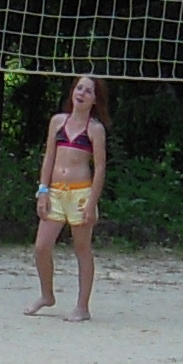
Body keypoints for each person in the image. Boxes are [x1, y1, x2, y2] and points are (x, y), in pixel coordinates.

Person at [28, 73, 110, 318]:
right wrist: (43, 191)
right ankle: (47, 295)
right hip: (55, 191)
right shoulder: (58, 122)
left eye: (88, 90)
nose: (82, 93)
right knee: (41, 247)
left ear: (95, 99)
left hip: (80, 193)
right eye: (79, 88)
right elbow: (49, 158)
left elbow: (100, 168)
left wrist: (92, 203)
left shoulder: (95, 129)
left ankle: (82, 307)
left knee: (82, 248)